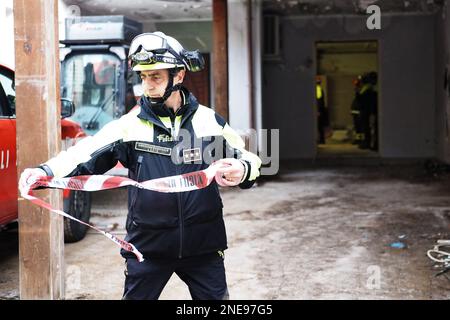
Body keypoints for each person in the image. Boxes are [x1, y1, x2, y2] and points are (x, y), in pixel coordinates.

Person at [19, 31, 262, 300]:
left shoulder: (209, 121)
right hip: (147, 247)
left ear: (178, 76)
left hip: (203, 246)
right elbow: (84, 153)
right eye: (143, 77)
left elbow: (250, 158)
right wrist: (45, 171)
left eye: (156, 76)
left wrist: (245, 169)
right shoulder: (129, 126)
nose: (147, 85)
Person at [358, 72, 378, 150]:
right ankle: (369, 144)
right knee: (368, 128)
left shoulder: (369, 88)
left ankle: (368, 144)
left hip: (367, 112)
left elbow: (366, 101)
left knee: (368, 128)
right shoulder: (369, 88)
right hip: (368, 111)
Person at [316, 76, 330, 144]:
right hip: (320, 109)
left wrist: (318, 110)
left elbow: (319, 101)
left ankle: (321, 140)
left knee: (319, 126)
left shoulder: (317, 89)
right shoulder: (319, 88)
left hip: (319, 110)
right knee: (320, 125)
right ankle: (321, 140)